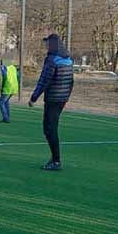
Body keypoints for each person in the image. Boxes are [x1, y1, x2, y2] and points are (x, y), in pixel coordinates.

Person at [28, 34, 74, 171]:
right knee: (50, 128)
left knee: (49, 129)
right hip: (61, 99)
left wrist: (33, 97)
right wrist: (66, 98)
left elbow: (44, 80)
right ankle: (55, 159)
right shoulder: (68, 60)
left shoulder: (52, 60)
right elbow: (71, 82)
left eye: (48, 44)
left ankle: (56, 160)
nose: (46, 46)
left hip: (53, 99)